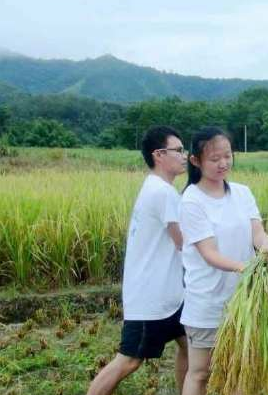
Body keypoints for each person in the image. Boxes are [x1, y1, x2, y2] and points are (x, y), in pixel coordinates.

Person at [87, 126, 188, 395]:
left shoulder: (156, 187)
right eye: (178, 150)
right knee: (129, 360)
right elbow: (184, 243)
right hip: (151, 298)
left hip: (171, 296)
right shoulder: (163, 192)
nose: (184, 155)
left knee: (191, 345)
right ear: (159, 155)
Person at [178, 127, 268, 395]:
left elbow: (257, 233)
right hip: (208, 300)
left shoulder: (242, 193)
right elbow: (209, 253)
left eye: (227, 156)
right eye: (214, 159)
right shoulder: (191, 201)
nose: (223, 163)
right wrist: (246, 268)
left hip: (244, 299)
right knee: (200, 372)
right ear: (196, 161)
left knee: (240, 367)